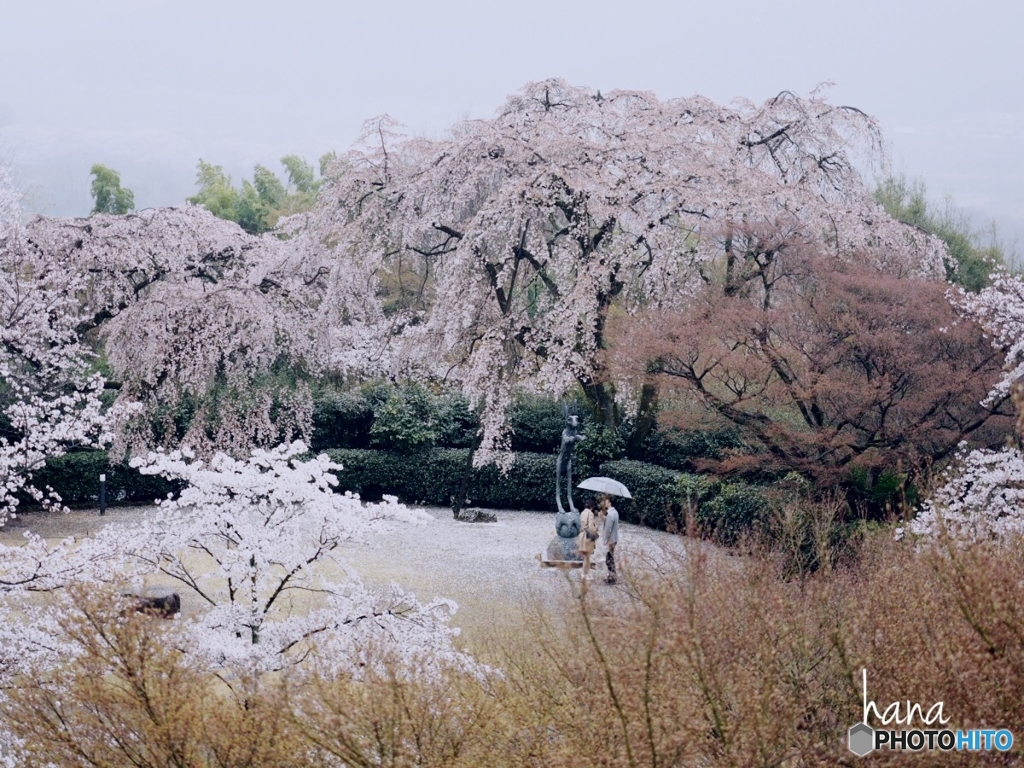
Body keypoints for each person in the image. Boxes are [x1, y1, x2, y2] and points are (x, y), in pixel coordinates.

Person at [576, 496, 599, 581]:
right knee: (587, 556)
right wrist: (596, 527)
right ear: (592, 506)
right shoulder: (590, 514)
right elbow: (591, 528)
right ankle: (584, 573)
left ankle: (587, 573)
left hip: (582, 535)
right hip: (587, 536)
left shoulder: (582, 513)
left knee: (585, 556)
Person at [600, 494, 620, 584]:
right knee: (610, 557)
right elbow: (609, 522)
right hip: (615, 538)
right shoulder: (614, 512)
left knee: (609, 559)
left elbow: (608, 529)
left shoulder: (610, 515)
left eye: (607, 501)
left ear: (610, 503)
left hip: (611, 540)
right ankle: (612, 576)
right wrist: (603, 517)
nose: (605, 503)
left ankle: (612, 577)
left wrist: (605, 540)